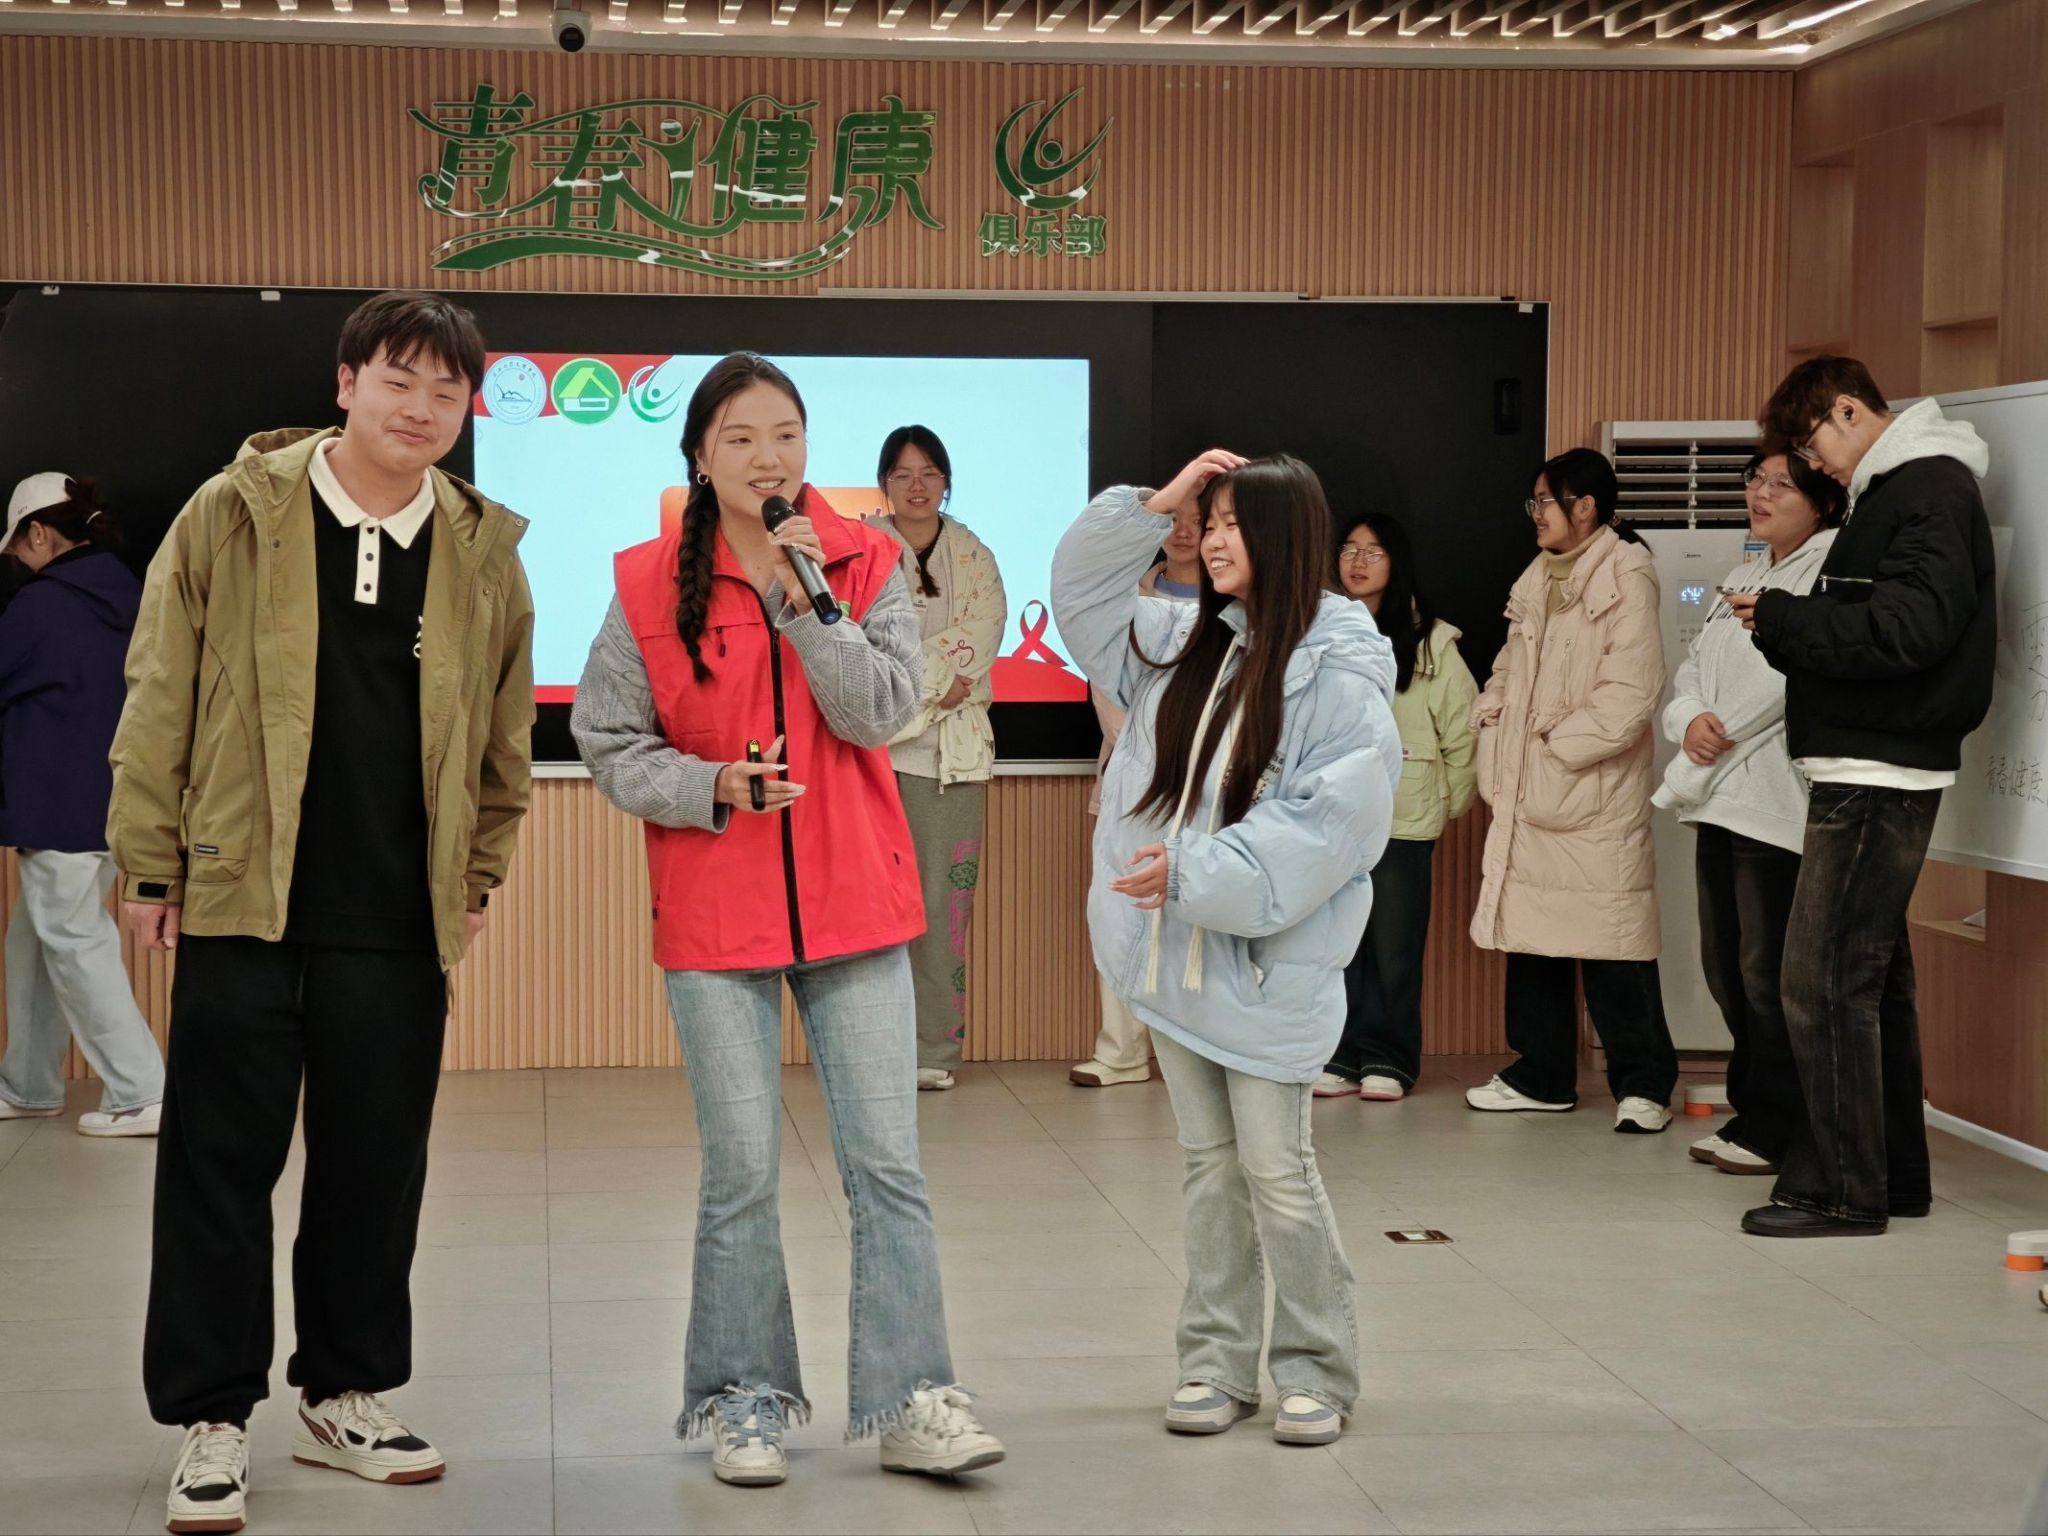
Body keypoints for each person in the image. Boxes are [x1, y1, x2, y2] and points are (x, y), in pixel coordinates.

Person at [111, 292, 537, 1536]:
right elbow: (159, 688)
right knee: (217, 1166)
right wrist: (149, 864)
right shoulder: (233, 512)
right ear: (345, 383)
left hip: (396, 912)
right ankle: (211, 1418)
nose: (422, 408)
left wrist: (475, 874)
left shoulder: (481, 549)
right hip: (243, 893)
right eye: (398, 379)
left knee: (373, 1169)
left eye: (447, 391)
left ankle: (344, 1393)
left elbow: (505, 735)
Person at [573, 352, 1004, 1488]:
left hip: (856, 902)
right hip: (717, 914)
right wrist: (708, 786)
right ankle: (743, 1397)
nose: (768, 459)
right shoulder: (645, 582)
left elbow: (879, 712)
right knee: (742, 1174)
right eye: (741, 439)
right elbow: (607, 742)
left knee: (887, 1166)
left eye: (786, 436)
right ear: (699, 457)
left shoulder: (860, 559)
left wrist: (806, 603)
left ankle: (914, 1396)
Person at [1052, 449, 1401, 1448]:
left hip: (1266, 969)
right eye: (1206, 524)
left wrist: (1195, 872)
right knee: (1209, 1169)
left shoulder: (1339, 668)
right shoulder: (1185, 642)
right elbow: (1079, 596)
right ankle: (1213, 1362)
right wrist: (1151, 506)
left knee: (1278, 1173)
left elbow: (1331, 825)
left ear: (1287, 535)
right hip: (1177, 959)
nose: (1209, 540)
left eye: (1232, 524)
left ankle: (1316, 1371)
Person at [1726, 356, 1994, 1238]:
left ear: (1848, 411)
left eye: (1811, 447)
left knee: (1821, 982)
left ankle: (1838, 1191)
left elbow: (1910, 631)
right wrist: (1782, 625)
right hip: (1872, 760)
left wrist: (1783, 618)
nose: (1815, 467)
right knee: (1869, 984)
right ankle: (1892, 1177)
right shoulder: (1902, 488)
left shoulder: (1926, 487)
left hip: (1880, 769)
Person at [1465, 449, 1679, 1132]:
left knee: (1614, 940)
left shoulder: (1627, 574)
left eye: (1543, 501)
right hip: (1530, 789)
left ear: (1583, 507)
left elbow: (1630, 694)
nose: (1534, 514)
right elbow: (1509, 667)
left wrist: (1554, 749)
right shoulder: (1539, 575)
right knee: (1533, 938)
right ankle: (1543, 1075)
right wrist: (1493, 716)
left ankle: (1644, 1086)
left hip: (1591, 796)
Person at [1655, 452, 1842, 1177]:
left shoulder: (1827, 572)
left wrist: (1710, 737)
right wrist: (1690, 721)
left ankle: (1779, 1124)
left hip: (1773, 803)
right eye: (1755, 481)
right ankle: (1753, 1110)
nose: (1761, 494)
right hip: (1718, 795)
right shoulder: (1745, 571)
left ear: (1821, 501)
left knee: (1768, 973)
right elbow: (1692, 668)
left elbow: (1777, 687)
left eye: (1781, 485)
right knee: (1726, 966)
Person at [0, 473, 166, 1137]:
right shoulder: (135, 596)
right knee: (34, 941)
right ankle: (28, 1085)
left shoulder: (41, 606)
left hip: (55, 803)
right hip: (117, 804)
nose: (18, 562)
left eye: (18, 547)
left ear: (40, 533)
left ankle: (141, 1091)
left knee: (71, 941)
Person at [1314, 513, 1477, 1102]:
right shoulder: (1319, 630)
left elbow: (1464, 732)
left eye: (1374, 551)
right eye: (1349, 549)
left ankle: (1389, 1059)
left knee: (1393, 947)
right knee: (1336, 943)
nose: (1357, 562)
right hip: (1331, 814)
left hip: (1403, 817)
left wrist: (1443, 805)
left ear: (1396, 562)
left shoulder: (1431, 642)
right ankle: (1338, 1055)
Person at [866, 425, 1008, 1092]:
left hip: (950, 759)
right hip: (867, 756)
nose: (916, 485)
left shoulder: (974, 555)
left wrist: (904, 692)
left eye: (928, 472)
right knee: (869, 904)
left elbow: (980, 639)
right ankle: (871, 1046)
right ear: (884, 484)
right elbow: (851, 641)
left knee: (942, 906)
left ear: (946, 481)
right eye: (902, 473)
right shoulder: (860, 549)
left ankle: (935, 1049)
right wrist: (927, 687)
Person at [1069, 524, 1201, 1088]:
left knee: (1198, 911)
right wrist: (1146, 751)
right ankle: (1121, 1052)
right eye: (1175, 519)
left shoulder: (1240, 599)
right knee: (1121, 904)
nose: (1186, 531)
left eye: (1202, 520)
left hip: (1208, 783)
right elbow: (1106, 686)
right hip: (1132, 778)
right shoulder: (1127, 594)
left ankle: (1197, 1054)